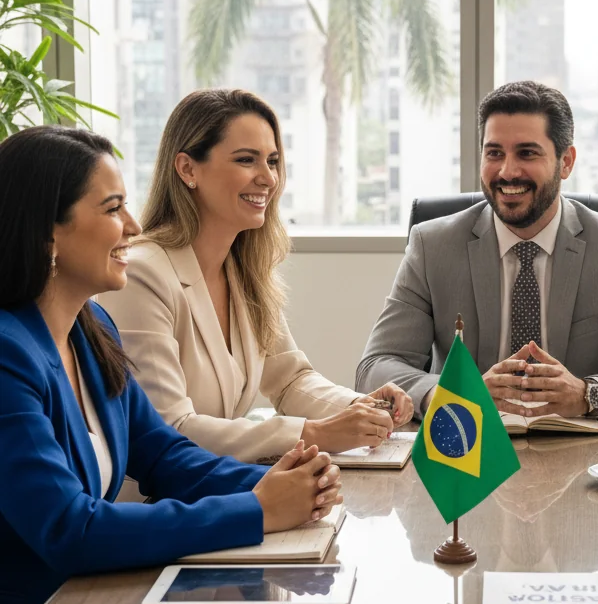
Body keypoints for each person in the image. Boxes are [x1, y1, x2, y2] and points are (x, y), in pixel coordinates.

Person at [0, 126, 342, 604]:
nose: (134, 227)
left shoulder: (92, 332)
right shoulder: (7, 356)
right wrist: (258, 509)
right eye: (113, 209)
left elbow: (162, 454)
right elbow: (71, 530)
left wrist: (282, 484)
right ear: (48, 233)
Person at [98, 89, 412, 470]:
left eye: (273, 161)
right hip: (158, 505)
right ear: (187, 169)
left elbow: (290, 380)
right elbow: (171, 429)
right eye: (246, 160)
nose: (268, 178)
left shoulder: (243, 270)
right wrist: (315, 433)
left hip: (219, 489)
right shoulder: (143, 273)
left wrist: (359, 408)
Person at [356, 80, 598, 422]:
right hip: (466, 448)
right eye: (494, 153)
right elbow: (376, 367)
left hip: (582, 448)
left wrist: (588, 395)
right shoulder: (432, 245)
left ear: (566, 162)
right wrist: (460, 393)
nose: (507, 172)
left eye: (527, 153)